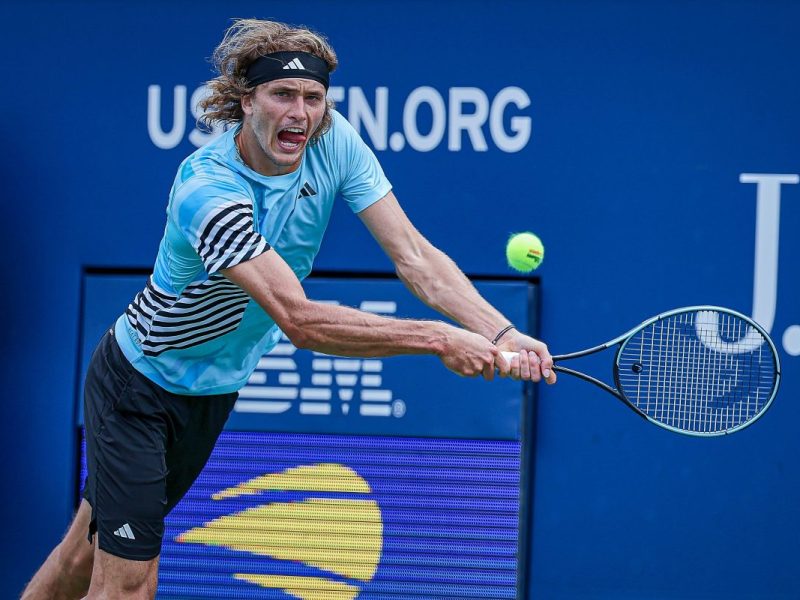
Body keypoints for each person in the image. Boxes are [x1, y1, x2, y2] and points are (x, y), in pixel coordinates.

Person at [21, 18, 556, 600]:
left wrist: (500, 330)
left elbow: (416, 258)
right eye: (282, 94)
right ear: (246, 101)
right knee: (128, 582)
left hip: (212, 391)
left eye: (313, 98)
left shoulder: (334, 141)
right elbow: (297, 318)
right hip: (140, 388)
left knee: (83, 551)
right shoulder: (209, 190)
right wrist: (439, 338)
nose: (300, 113)